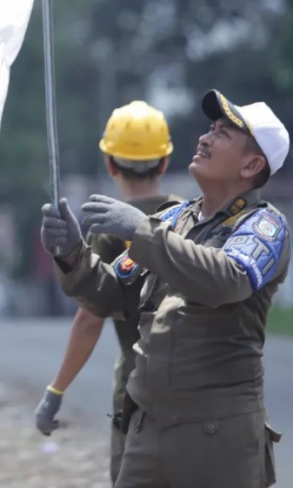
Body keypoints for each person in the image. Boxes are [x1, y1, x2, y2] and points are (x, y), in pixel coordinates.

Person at [41, 90, 290, 488]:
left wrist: (141, 230)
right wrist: (72, 254)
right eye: (210, 128)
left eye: (223, 133)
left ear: (252, 164)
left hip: (216, 437)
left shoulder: (264, 226)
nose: (205, 138)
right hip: (147, 428)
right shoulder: (173, 219)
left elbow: (227, 279)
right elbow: (112, 295)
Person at [35, 101, 178, 485]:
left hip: (138, 390)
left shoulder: (109, 225)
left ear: (110, 164)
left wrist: (55, 391)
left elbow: (89, 318)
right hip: (193, 391)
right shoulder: (186, 217)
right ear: (164, 163)